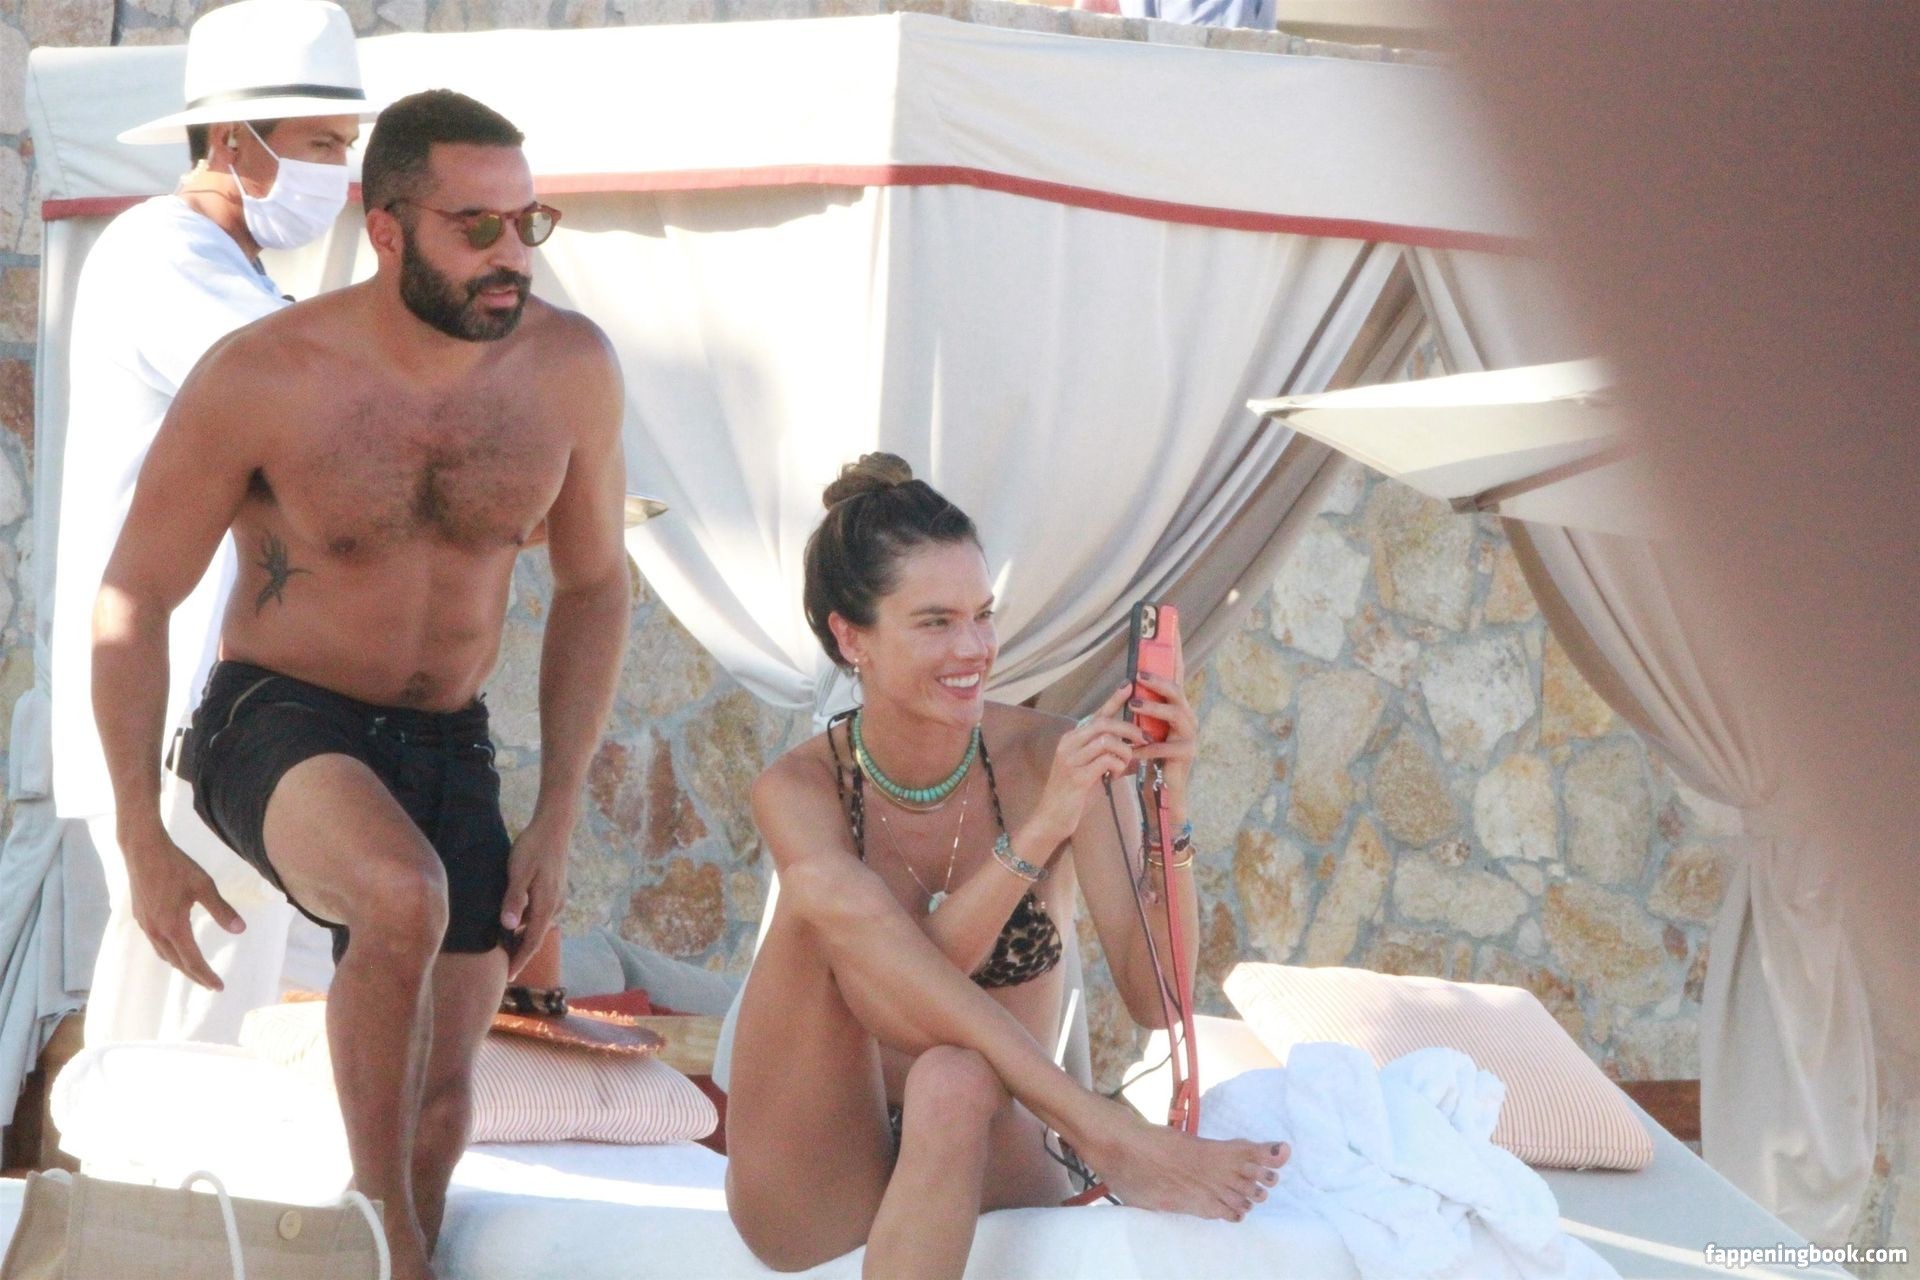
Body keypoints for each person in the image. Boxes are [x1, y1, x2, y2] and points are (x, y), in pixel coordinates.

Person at [90, 88, 631, 1280]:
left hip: (449, 734)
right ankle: (381, 1238)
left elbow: (596, 584)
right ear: (386, 230)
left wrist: (557, 811)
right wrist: (140, 832)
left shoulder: (568, 368)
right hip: (275, 714)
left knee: (441, 1093)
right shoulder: (267, 373)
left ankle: (397, 1238)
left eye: (527, 223)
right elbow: (132, 600)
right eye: (476, 226)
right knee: (400, 893)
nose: (511, 254)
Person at [724, 453, 1288, 1279]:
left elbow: (1155, 997)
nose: (974, 648)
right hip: (823, 1161)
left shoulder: (1050, 756)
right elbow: (889, 1005)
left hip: (992, 1129)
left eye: (982, 616)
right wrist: (1037, 833)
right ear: (851, 637)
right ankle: (1103, 1132)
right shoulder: (800, 788)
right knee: (815, 896)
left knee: (953, 1078)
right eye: (935, 622)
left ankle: (1095, 1131)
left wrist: (1169, 801)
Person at [52, 0, 375, 1046]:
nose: (339, 170)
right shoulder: (162, 251)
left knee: (240, 1039)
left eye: (345, 145)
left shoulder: (236, 269)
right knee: (174, 1049)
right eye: (322, 144)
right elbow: (312, 415)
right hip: (179, 711)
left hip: (237, 718)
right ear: (234, 143)